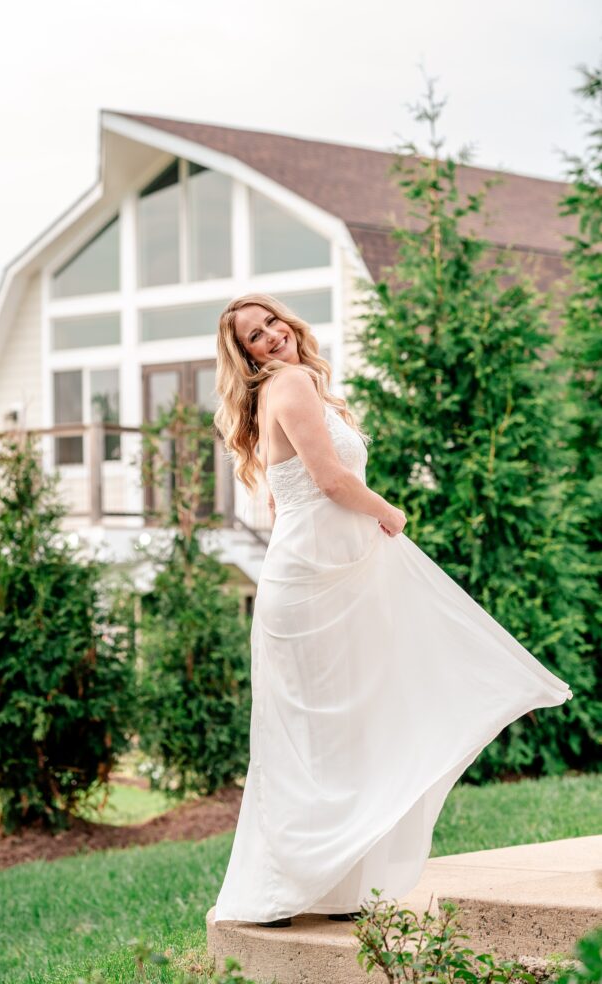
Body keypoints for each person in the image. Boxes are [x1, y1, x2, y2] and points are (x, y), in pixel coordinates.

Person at [211, 292, 573, 928]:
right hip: (313, 589)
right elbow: (328, 481)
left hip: (332, 580)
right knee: (315, 738)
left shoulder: (299, 389)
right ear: (245, 356)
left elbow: (285, 500)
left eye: (273, 323)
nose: (271, 337)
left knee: (342, 735)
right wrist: (390, 515)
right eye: (254, 336)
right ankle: (282, 890)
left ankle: (335, 885)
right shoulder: (289, 384)